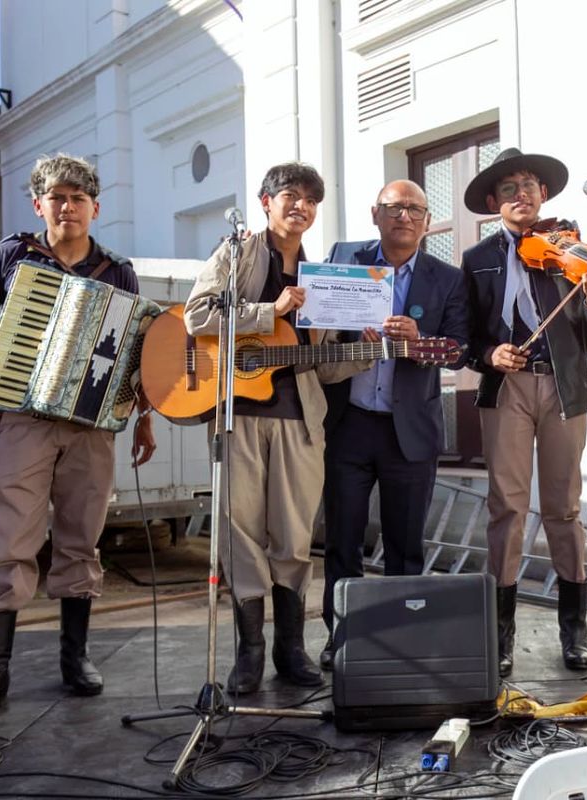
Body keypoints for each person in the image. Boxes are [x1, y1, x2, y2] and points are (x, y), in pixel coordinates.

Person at [0, 154, 157, 719]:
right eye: (56, 198)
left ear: (95, 207)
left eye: (78, 198)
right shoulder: (13, 257)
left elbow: (135, 354)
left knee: (81, 537)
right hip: (23, 416)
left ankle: (75, 657)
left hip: (91, 427)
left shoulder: (118, 271)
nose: (67, 207)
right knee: (12, 540)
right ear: (38, 205)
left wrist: (144, 418)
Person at [184, 162, 366, 693]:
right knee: (239, 535)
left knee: (293, 537)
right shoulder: (236, 253)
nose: (300, 206)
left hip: (299, 420)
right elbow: (196, 316)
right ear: (266, 201)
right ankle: (249, 654)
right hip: (237, 415)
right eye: (290, 195)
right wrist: (269, 311)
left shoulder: (325, 278)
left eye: (311, 199)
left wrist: (369, 350)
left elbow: (325, 365)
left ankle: (291, 649)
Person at [461, 148, 587, 676]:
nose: (520, 195)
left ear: (543, 195)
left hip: (564, 390)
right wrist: (488, 354)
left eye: (528, 186)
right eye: (508, 190)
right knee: (507, 508)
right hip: (507, 390)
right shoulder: (477, 259)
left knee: (564, 509)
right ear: (492, 203)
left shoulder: (567, 250)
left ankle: (574, 632)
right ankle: (501, 636)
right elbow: (464, 337)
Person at [318, 179, 470, 669]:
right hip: (350, 421)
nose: (404, 216)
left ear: (427, 222)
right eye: (394, 208)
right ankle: (340, 639)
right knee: (343, 540)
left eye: (415, 209)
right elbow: (317, 323)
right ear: (375, 214)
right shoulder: (345, 258)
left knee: (406, 544)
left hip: (410, 428)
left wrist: (418, 338)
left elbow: (460, 347)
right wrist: (346, 327)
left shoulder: (446, 278)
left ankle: (404, 640)